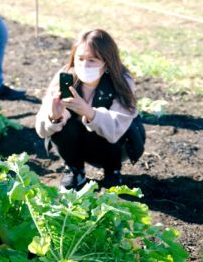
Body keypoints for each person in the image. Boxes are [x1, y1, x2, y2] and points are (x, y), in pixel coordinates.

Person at [35, 29, 140, 190]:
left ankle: (112, 170)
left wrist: (88, 112)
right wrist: (53, 116)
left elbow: (116, 129)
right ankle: (75, 169)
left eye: (92, 60)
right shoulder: (65, 78)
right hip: (77, 141)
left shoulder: (121, 81)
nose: (84, 65)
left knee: (108, 125)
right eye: (80, 59)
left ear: (106, 62)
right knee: (62, 127)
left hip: (113, 144)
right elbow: (42, 130)